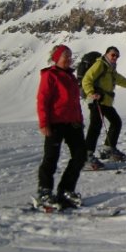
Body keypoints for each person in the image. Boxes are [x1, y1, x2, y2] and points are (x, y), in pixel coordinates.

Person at [36, 44, 87, 208]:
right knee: (51, 158)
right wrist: (44, 123)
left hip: (73, 123)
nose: (69, 59)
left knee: (80, 156)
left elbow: (75, 102)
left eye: (70, 56)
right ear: (57, 58)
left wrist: (79, 120)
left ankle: (66, 189)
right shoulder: (50, 75)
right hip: (55, 123)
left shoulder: (71, 77)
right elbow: (42, 100)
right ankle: (44, 191)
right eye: (66, 56)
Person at [82, 46, 126, 164]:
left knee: (116, 122)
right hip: (96, 101)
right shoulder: (100, 65)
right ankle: (86, 155)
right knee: (95, 127)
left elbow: (119, 79)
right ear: (106, 54)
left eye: (117, 56)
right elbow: (86, 80)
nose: (115, 57)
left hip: (106, 102)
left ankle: (108, 149)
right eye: (113, 55)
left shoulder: (111, 68)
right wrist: (92, 93)